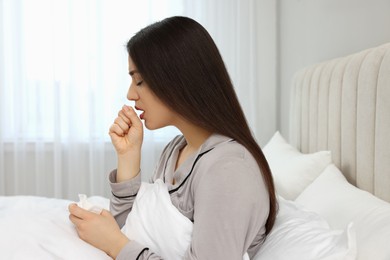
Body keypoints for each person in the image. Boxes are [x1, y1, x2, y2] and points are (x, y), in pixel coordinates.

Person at [69, 16, 277, 259]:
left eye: (140, 81)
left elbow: (122, 242)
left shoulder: (228, 169)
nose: (130, 94)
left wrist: (114, 244)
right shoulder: (175, 150)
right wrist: (128, 156)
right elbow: (131, 229)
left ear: (177, 78)